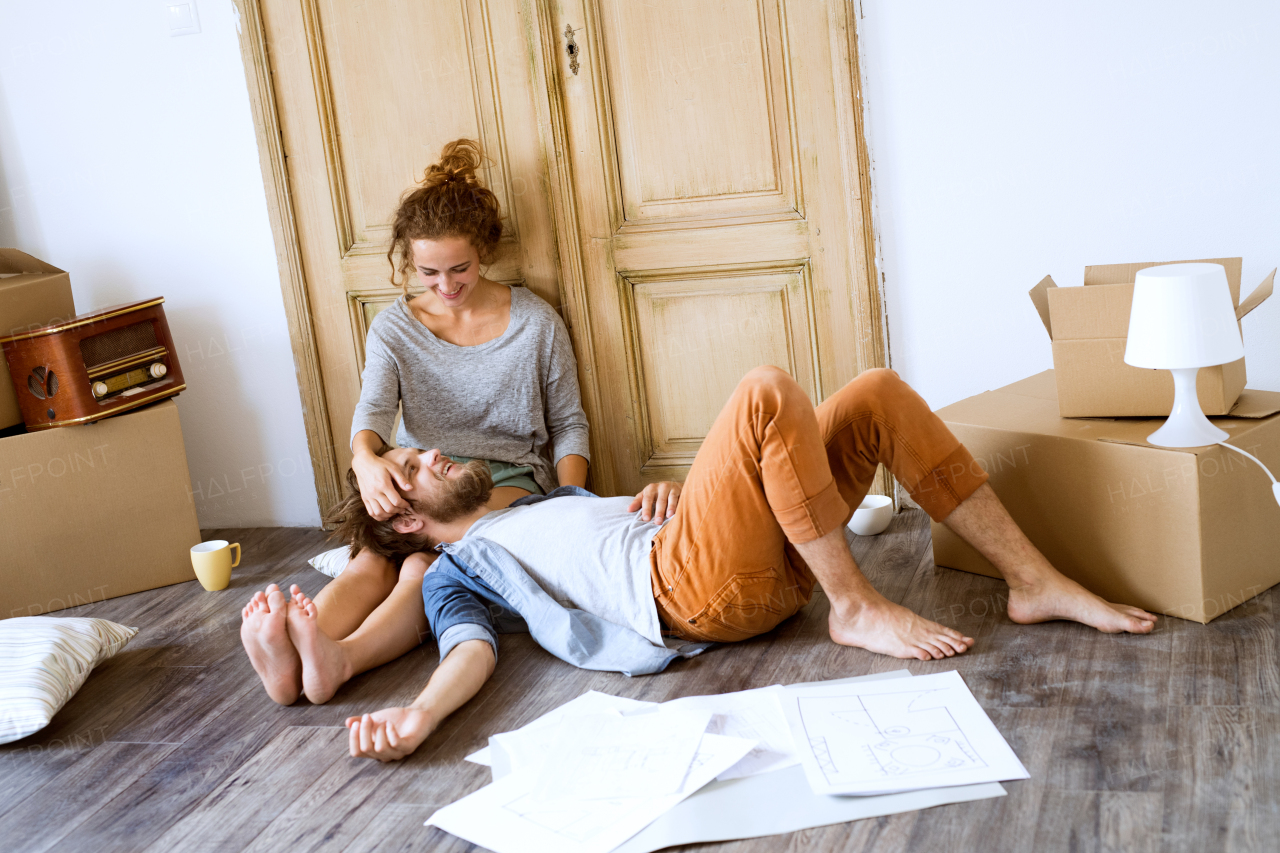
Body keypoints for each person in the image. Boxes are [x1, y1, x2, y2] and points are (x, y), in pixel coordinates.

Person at [276, 365, 1157, 761]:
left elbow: (615, 530)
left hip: (715, 552)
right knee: (764, 392)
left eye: (421, 452)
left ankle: (1032, 581)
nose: (429, 456)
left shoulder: (539, 505)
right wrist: (420, 714)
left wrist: (663, 493)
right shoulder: (463, 567)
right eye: (411, 471)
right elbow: (465, 647)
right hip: (684, 589)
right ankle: (852, 605)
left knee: (879, 392)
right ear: (413, 527)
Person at [239, 139, 685, 705]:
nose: (446, 286)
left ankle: (336, 663)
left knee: (422, 566)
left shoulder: (534, 322)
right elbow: (373, 414)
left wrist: (572, 499)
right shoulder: (394, 329)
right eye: (428, 272)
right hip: (422, 478)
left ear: (484, 254)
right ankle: (294, 650)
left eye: (460, 269)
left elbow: (569, 424)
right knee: (374, 560)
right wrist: (366, 462)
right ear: (407, 262)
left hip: (506, 486)